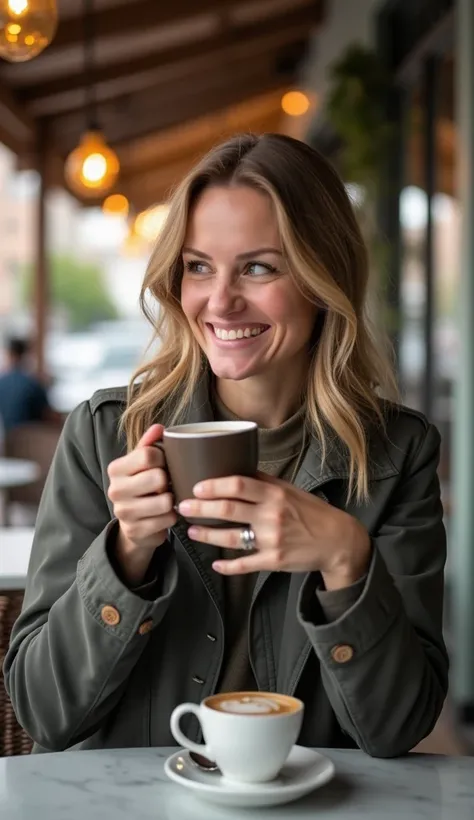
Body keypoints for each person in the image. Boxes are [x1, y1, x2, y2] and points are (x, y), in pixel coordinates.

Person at [4, 134, 448, 757]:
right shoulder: (107, 434)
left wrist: (348, 562)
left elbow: (398, 728)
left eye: (260, 267)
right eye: (198, 266)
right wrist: (127, 552)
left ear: (324, 278)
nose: (219, 300)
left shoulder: (398, 453)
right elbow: (44, 712)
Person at [0, 337, 54, 431]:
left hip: (7, 439)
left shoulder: (3, 382)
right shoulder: (32, 383)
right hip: (29, 439)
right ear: (26, 355)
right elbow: (47, 414)